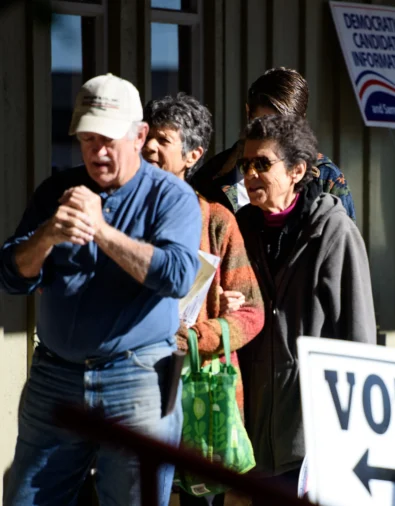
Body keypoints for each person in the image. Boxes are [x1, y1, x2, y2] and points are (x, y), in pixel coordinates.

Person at [1, 74, 201, 505]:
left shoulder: (170, 197)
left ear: (140, 135)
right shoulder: (57, 192)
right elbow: (11, 275)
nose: (98, 152)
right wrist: (48, 235)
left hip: (137, 377)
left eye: (109, 140)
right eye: (88, 139)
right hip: (56, 375)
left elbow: (178, 275)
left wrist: (103, 232)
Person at [234, 113, 377, 489]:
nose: (250, 174)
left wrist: (354, 435)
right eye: (245, 164)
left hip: (309, 432)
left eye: (262, 164)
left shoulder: (332, 230)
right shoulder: (240, 227)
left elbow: (358, 336)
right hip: (247, 428)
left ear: (297, 170)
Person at [143, 93, 266, 506]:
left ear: (193, 154)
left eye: (163, 139)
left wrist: (199, 336)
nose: (149, 148)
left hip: (201, 391)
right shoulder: (123, 215)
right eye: (146, 136)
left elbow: (251, 312)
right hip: (135, 382)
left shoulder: (216, 219)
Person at [191, 67, 356, 220]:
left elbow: (342, 246)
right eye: (262, 124)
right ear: (248, 113)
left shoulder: (325, 178)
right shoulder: (211, 177)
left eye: (283, 128)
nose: (271, 136)